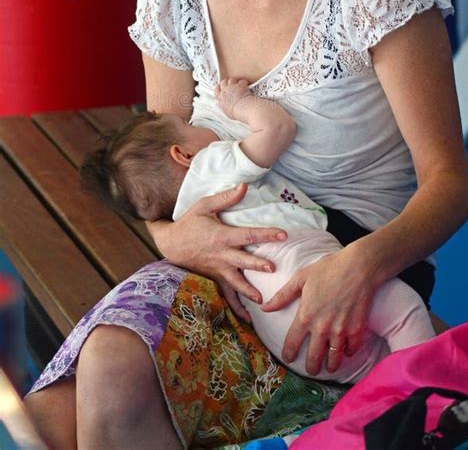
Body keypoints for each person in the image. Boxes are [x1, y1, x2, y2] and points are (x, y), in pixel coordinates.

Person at [25, 0, 468, 450]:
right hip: (233, 279)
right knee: (67, 406)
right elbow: (163, 181)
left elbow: (449, 185)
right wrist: (181, 239)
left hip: (358, 280)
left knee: (92, 407)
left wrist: (359, 268)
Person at [80, 77, 435, 384]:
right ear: (183, 155)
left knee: (374, 366)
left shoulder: (184, 213)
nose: (207, 128)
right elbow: (277, 129)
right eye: (192, 127)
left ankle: (394, 410)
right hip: (307, 283)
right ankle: (429, 399)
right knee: (405, 312)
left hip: (280, 334)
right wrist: (239, 104)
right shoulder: (210, 166)